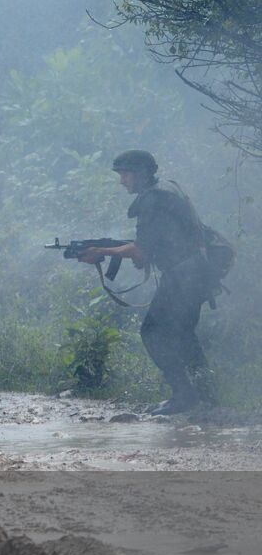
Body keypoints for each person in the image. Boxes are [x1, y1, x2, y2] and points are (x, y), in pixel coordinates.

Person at [78, 150, 212, 414]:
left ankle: (184, 395)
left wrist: (101, 252)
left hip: (183, 276)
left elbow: (140, 251)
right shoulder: (165, 190)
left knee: (152, 333)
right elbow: (159, 243)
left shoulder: (153, 198)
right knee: (184, 334)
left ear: (141, 173)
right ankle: (208, 395)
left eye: (125, 173)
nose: (122, 180)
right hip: (193, 272)